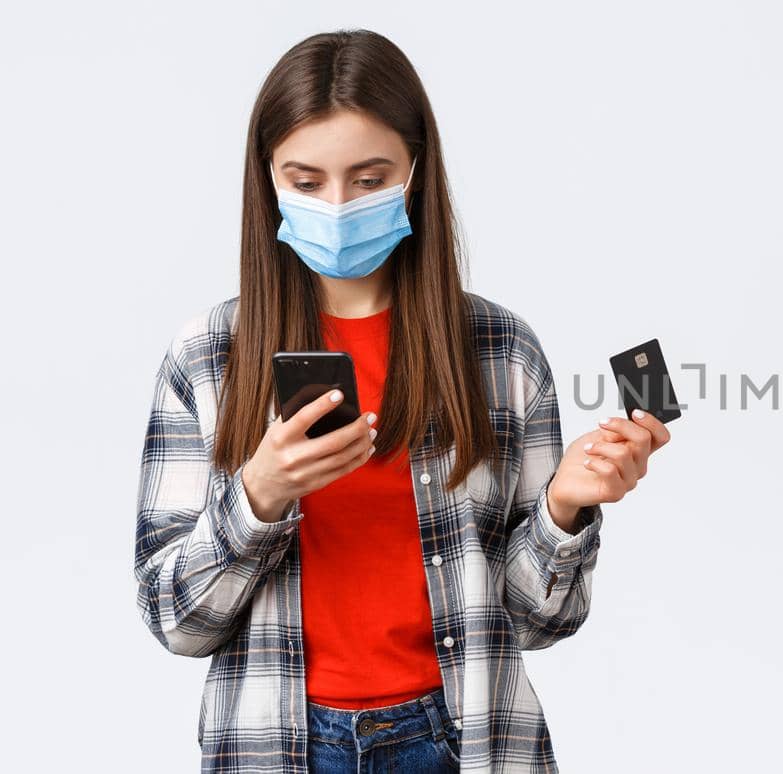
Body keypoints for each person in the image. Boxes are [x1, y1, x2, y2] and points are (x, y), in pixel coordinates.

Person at [132, 29, 669, 773]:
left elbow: (543, 620)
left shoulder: (500, 351)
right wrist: (259, 494)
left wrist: (562, 510)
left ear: (416, 172)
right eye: (307, 180)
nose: (339, 204)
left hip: (464, 740)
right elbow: (175, 621)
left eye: (369, 177)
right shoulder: (208, 357)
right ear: (268, 181)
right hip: (277, 747)